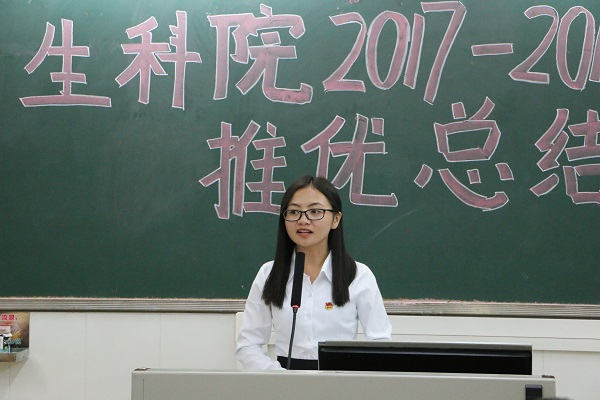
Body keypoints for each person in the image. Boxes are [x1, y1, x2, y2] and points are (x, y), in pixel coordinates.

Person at [236, 175, 392, 370]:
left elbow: (380, 343)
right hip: (283, 380)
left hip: (341, 380)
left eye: (315, 211)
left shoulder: (359, 275)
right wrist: (279, 376)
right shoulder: (269, 273)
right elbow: (248, 345)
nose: (303, 220)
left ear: (336, 219)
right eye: (294, 212)